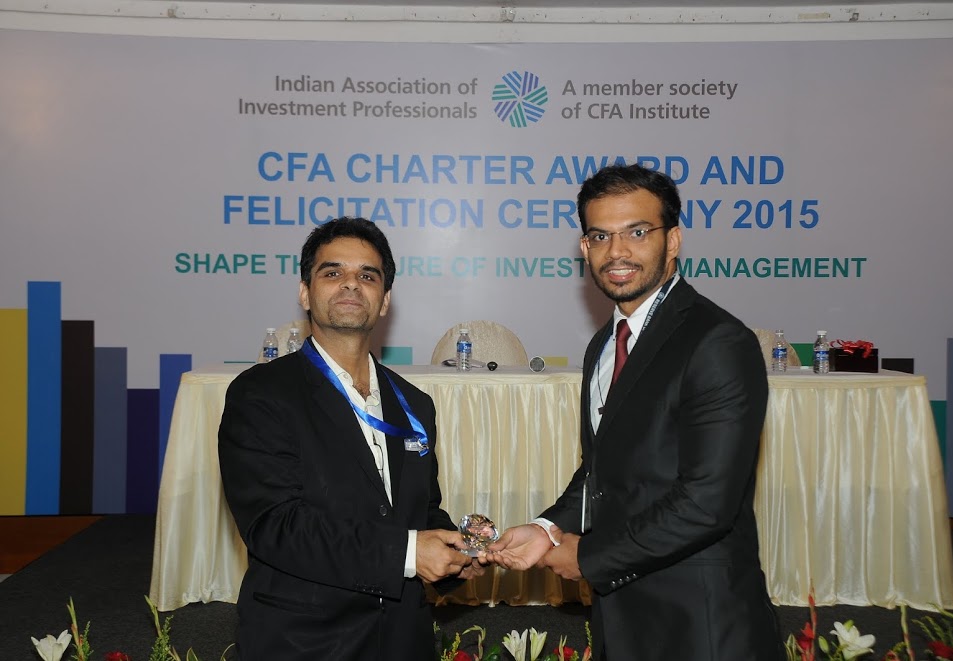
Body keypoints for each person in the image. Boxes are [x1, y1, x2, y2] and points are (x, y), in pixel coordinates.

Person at [483, 165, 783, 660]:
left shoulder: (716, 342)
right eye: (601, 236)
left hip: (700, 621)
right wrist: (547, 528)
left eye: (637, 232)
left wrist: (588, 557)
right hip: (622, 614)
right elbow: (603, 470)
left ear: (673, 240)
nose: (617, 251)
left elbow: (707, 502)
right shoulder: (604, 343)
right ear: (584, 248)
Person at [218, 217, 478, 660]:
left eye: (368, 276)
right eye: (333, 272)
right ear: (305, 293)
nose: (351, 284)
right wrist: (409, 553)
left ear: (385, 301)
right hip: (305, 639)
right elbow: (276, 526)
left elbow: (420, 509)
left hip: (403, 638)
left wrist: (457, 552)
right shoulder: (260, 393)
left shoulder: (415, 403)